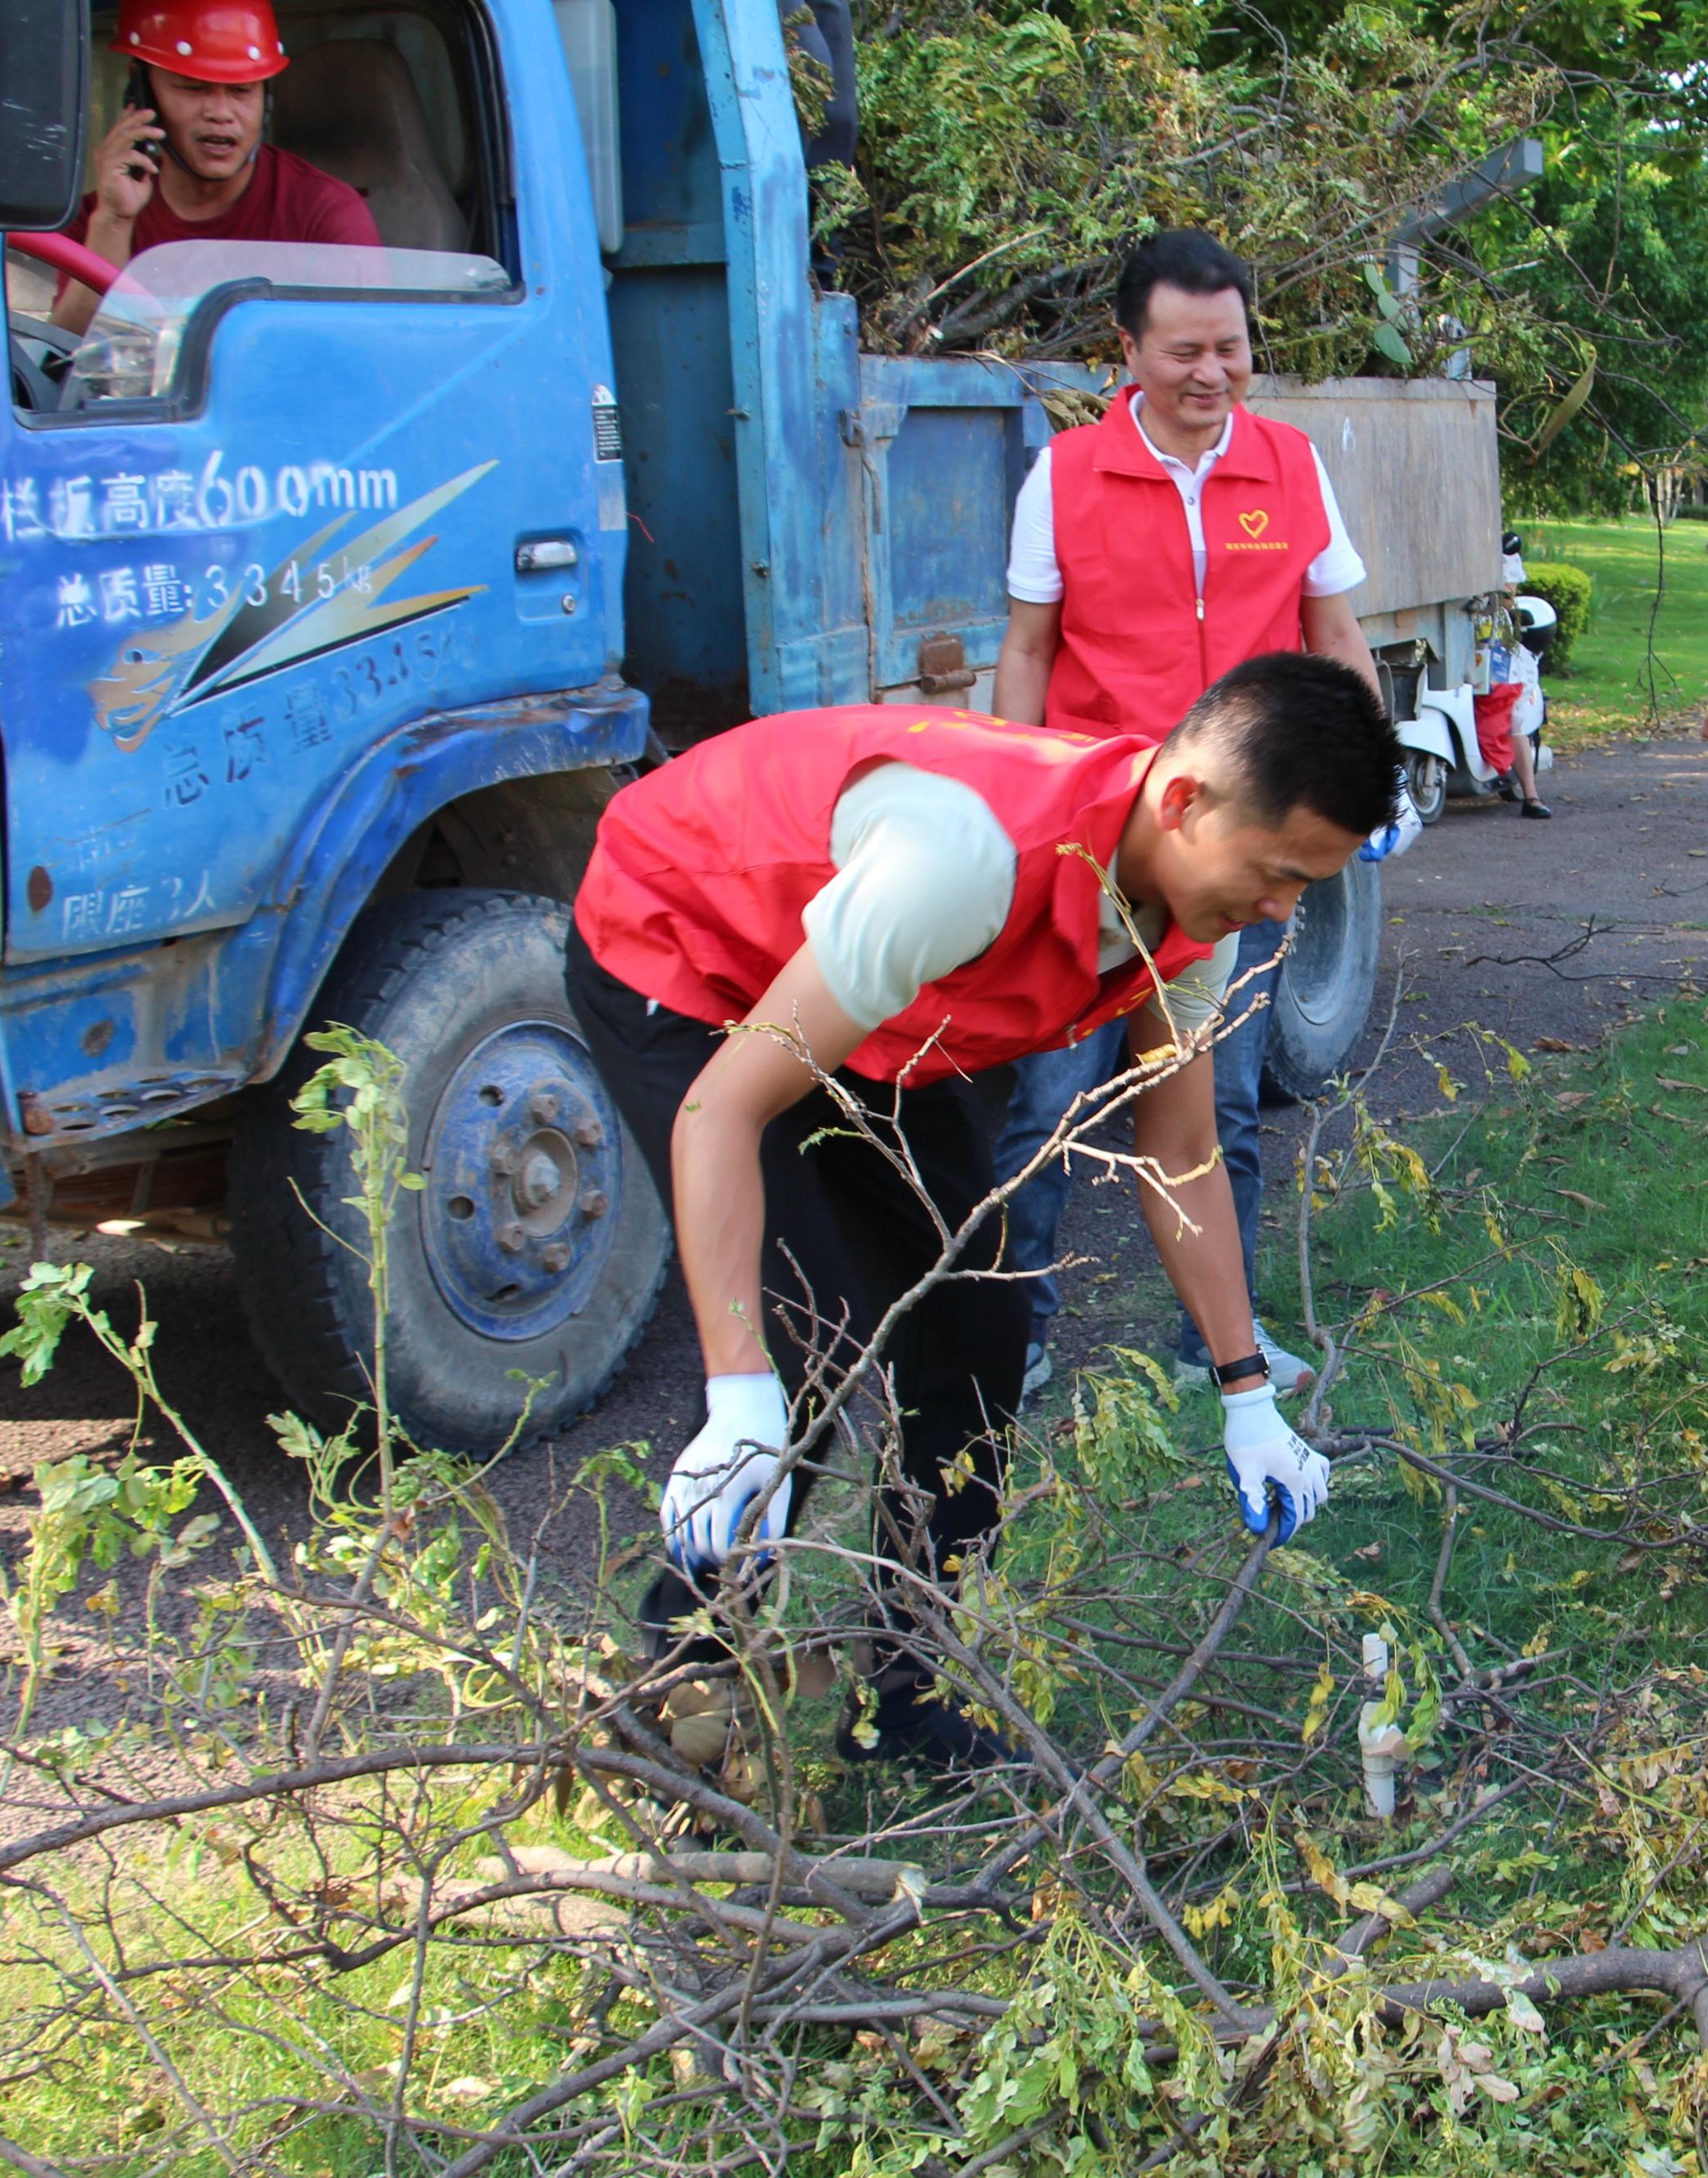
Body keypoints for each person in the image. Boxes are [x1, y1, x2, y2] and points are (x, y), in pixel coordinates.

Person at [566, 654, 1400, 1768]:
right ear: (1185, 801)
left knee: (984, 1315)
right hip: (687, 946)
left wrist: (1246, 1391)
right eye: (1279, 872)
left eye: (1309, 883)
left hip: (869, 997)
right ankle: (678, 1691)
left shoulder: (1200, 906)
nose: (1283, 907)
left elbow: (1183, 1151)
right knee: (803, 1334)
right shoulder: (960, 864)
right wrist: (735, 1392)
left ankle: (902, 1682)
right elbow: (722, 1109)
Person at [991, 229, 1379, 1398]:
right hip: (1099, 845)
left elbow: (1336, 629)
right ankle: (1010, 1337)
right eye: (1184, 351)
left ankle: (1216, 1335)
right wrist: (1018, 798)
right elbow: (1026, 650)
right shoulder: (1062, 477)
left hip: (1244, 846)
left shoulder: (1291, 465)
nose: (1211, 374)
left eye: (1232, 348)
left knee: (1230, 1100)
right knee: (1049, 1101)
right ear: (1129, 350)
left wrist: (1373, 779)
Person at [50, 0, 379, 335]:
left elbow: (366, 357)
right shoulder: (96, 219)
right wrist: (115, 223)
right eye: (193, 88)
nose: (221, 113)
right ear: (141, 93)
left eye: (241, 91)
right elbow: (64, 360)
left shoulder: (324, 212)